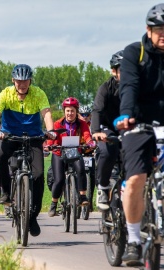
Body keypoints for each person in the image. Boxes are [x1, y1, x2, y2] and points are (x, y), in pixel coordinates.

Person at [114, 4, 164, 263]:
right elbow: (129, 86)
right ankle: (133, 238)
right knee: (135, 179)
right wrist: (126, 115)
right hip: (138, 123)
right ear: (148, 29)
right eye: (159, 29)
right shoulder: (137, 52)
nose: (163, 34)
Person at [0, 64, 55, 237]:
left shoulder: (38, 93)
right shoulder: (6, 93)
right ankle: (6, 193)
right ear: (13, 81)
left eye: (25, 81)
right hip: (10, 136)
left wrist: (51, 130)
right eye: (18, 81)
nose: (22, 84)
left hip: (33, 138)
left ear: (30, 81)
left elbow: (46, 113)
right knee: (0, 157)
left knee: (39, 175)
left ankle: (32, 217)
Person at [46, 97, 95, 217]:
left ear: (76, 112)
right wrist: (50, 145)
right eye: (68, 111)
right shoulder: (58, 124)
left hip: (74, 152)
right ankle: (54, 203)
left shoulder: (82, 123)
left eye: (72, 111)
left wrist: (90, 142)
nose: (70, 113)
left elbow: (86, 135)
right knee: (59, 179)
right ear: (64, 111)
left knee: (81, 170)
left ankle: (82, 196)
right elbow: (52, 137)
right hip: (59, 153)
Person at [91, 50, 123, 212]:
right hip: (107, 129)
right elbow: (97, 110)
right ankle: (103, 187)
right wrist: (96, 131)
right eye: (122, 69)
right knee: (107, 151)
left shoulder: (137, 88)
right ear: (114, 71)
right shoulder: (106, 88)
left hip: (129, 130)